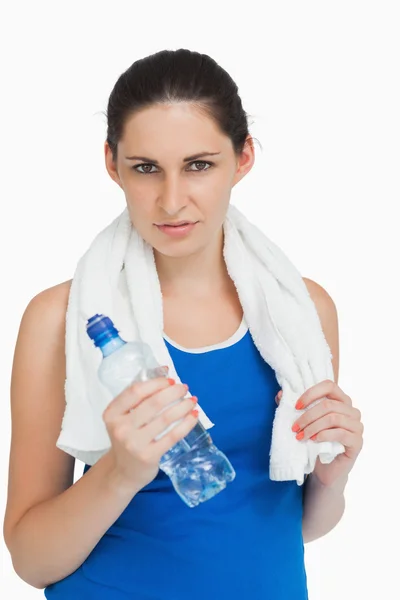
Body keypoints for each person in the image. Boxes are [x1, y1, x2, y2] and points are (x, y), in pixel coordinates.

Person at [3, 48, 364, 599]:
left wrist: (331, 477)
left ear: (243, 158)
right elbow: (31, 561)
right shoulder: (60, 320)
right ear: (111, 164)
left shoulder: (301, 313)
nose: (172, 201)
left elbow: (296, 526)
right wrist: (122, 470)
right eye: (146, 168)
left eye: (199, 165)